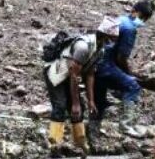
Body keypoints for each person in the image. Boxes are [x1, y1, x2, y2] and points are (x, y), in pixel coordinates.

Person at [44, 17, 120, 151]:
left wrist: (91, 100)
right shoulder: (83, 47)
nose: (112, 41)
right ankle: (54, 144)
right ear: (105, 35)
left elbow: (90, 74)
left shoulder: (100, 50)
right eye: (112, 38)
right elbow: (74, 74)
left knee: (80, 110)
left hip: (70, 75)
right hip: (56, 73)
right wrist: (75, 103)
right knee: (61, 106)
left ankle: (80, 143)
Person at [89, 0, 155, 136]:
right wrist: (129, 73)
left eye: (145, 19)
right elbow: (121, 58)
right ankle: (125, 125)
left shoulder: (120, 19)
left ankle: (92, 132)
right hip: (106, 65)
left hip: (94, 63)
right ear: (135, 12)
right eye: (142, 17)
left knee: (100, 99)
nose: (142, 21)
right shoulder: (130, 29)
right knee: (133, 86)